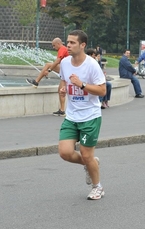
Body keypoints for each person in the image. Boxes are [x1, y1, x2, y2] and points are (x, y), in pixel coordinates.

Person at [58, 30, 106, 200]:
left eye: (72, 43)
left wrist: (82, 84)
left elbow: (102, 90)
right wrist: (63, 90)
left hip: (90, 117)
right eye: (67, 42)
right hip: (72, 116)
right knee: (64, 152)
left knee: (86, 154)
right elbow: (64, 81)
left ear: (82, 45)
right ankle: (91, 163)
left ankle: (97, 187)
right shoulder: (64, 63)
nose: (68, 46)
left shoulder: (92, 65)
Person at [26, 37, 69, 116]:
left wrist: (49, 70)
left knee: (48, 65)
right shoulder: (63, 49)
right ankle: (62, 110)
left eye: (54, 45)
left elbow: (57, 61)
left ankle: (36, 82)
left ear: (59, 44)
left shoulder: (62, 49)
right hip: (65, 71)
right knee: (60, 90)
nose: (53, 47)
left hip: (67, 71)